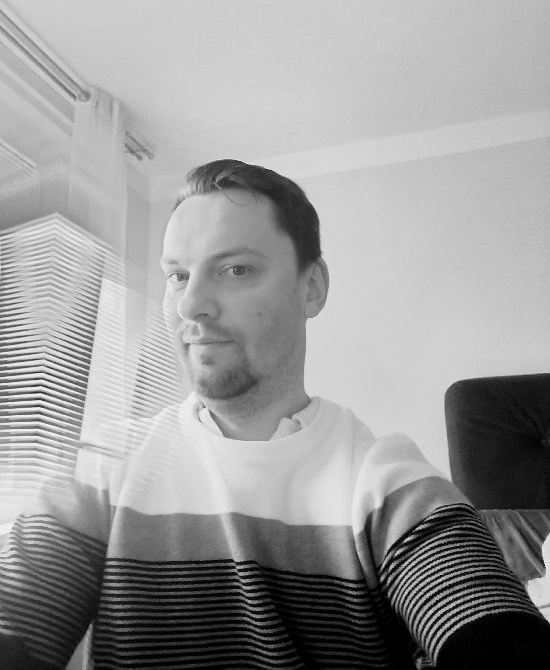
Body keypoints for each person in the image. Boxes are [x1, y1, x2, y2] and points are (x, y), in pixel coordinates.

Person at [1, 159, 549, 669]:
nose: (190, 305)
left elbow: (486, 622)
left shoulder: (385, 482)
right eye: (178, 276)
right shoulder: (103, 470)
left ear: (312, 287)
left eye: (236, 269)